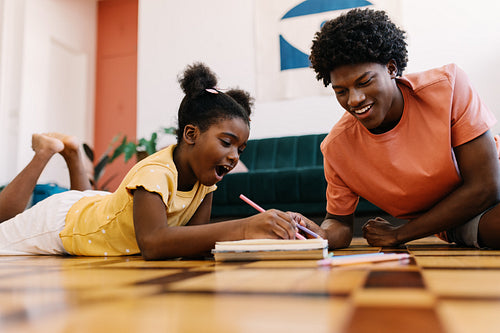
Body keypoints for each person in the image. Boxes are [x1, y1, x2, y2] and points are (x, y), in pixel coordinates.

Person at [0, 63, 301, 259]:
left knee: (84, 203)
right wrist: (245, 227)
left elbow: (194, 245)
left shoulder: (205, 182)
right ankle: (46, 151)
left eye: (241, 149)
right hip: (60, 224)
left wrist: (267, 234)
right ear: (191, 134)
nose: (235, 157)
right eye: (227, 142)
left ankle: (73, 152)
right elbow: (154, 243)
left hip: (100, 211)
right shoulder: (154, 173)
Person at [298, 8, 500, 249]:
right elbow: (339, 223)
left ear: (392, 68)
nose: (354, 99)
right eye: (341, 91)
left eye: (364, 82)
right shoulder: (337, 149)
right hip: (464, 219)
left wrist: (400, 234)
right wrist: (318, 234)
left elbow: (487, 186)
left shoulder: (448, 87)